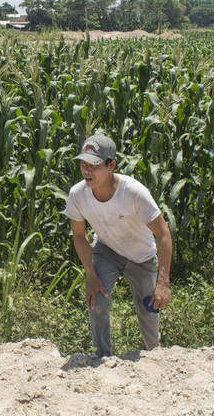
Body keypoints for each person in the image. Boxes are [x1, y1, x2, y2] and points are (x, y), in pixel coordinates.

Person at [64, 134, 173, 357]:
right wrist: (90, 275)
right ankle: (102, 357)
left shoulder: (133, 192)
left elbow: (163, 234)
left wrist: (163, 283)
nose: (87, 171)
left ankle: (155, 356)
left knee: (149, 309)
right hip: (107, 249)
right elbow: (78, 236)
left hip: (141, 255)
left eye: (93, 165)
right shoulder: (77, 194)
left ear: (111, 164)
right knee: (98, 300)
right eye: (84, 164)